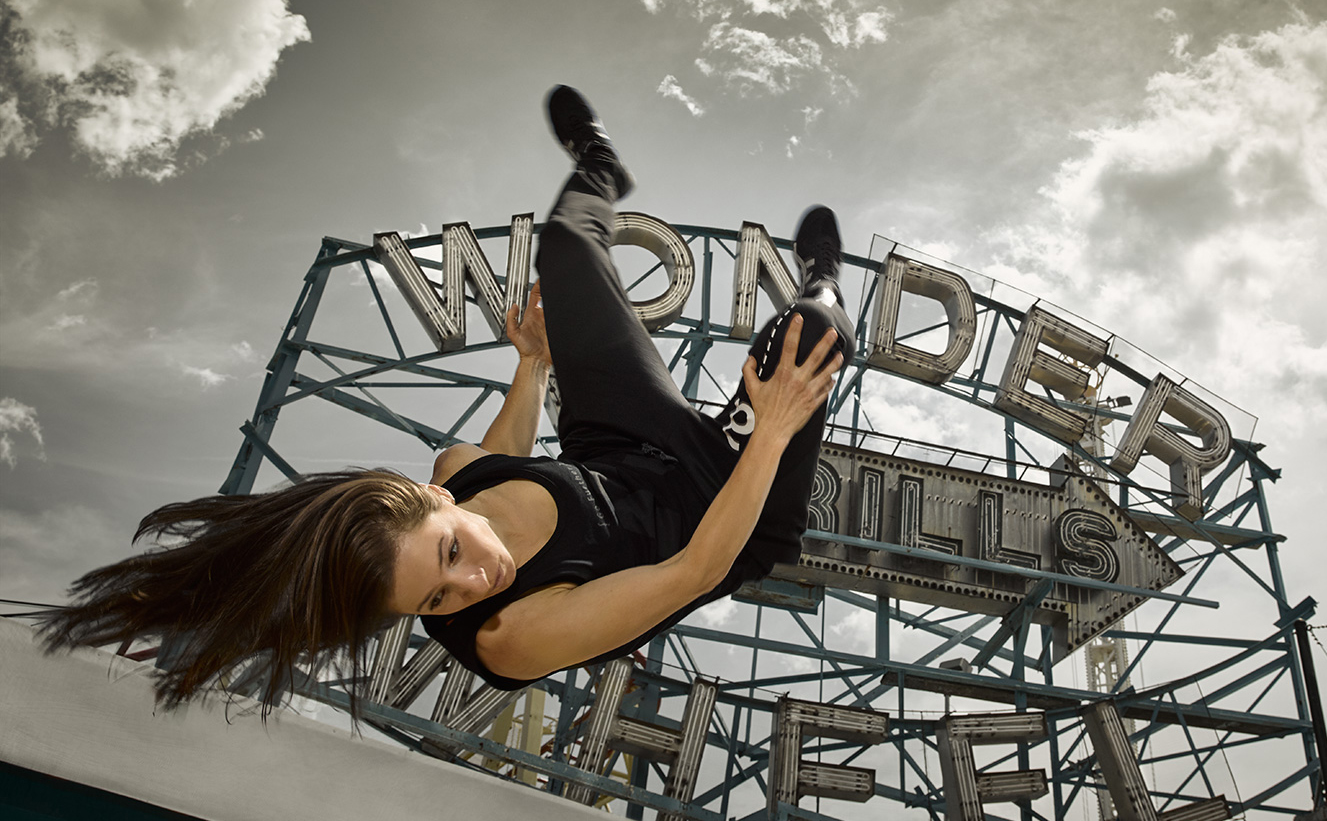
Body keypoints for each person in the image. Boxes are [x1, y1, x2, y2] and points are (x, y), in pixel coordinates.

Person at [39, 85, 855, 710]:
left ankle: (598, 162)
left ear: (439, 496)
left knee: (566, 245)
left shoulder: (461, 465)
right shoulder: (508, 636)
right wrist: (775, 430)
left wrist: (532, 361)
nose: (469, 584)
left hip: (616, 441)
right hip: (716, 511)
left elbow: (507, 449)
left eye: (449, 554)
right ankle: (825, 276)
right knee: (812, 339)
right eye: (434, 600)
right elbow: (695, 568)